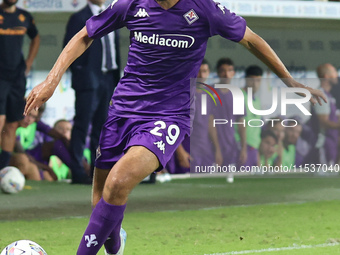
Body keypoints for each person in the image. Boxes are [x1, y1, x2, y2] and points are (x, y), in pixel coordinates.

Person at [24, 0, 326, 254]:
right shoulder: (131, 4)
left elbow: (251, 39)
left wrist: (290, 81)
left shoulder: (204, 9)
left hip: (168, 116)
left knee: (117, 184)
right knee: (102, 205)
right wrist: (51, 81)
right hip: (122, 111)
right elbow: (84, 35)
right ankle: (116, 242)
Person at [63, 0, 121, 184]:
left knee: (102, 129)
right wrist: (81, 73)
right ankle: (78, 171)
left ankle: (98, 173)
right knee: (81, 126)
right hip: (88, 81)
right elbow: (69, 48)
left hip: (109, 78)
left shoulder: (113, 14)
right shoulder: (79, 17)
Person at [0, 0, 40, 169]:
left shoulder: (24, 17)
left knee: (12, 124)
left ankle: (3, 169)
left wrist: (29, 62)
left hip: (17, 77)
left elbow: (35, 37)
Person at [307, 63, 339, 166]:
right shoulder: (321, 95)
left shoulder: (329, 96)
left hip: (331, 142)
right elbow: (323, 123)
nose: (336, 75)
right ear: (326, 76)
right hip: (323, 143)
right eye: (333, 73)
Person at [236, 65, 263, 168]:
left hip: (254, 148)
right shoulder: (239, 95)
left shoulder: (257, 101)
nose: (255, 84)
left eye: (258, 81)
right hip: (242, 146)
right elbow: (240, 123)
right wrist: (243, 148)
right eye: (252, 80)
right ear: (246, 79)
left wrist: (258, 153)